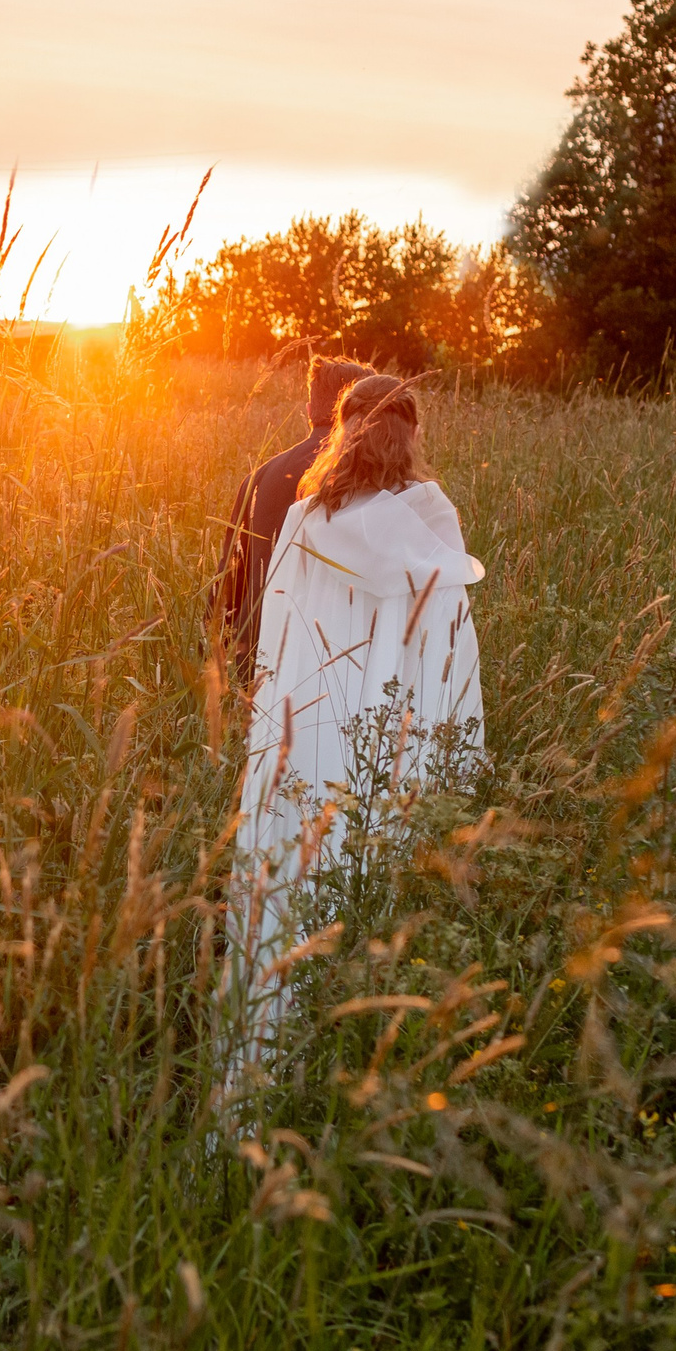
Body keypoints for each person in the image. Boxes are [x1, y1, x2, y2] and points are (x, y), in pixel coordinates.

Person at [229, 372, 485, 1068]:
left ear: (340, 430)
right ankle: (358, 1054)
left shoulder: (305, 516)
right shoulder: (429, 512)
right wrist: (451, 753)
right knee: (375, 876)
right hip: (386, 730)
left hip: (307, 730)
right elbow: (447, 644)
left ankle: (275, 1042)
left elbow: (275, 637)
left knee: (298, 874)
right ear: (411, 434)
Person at [210, 353, 375, 685]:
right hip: (337, 658)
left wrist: (214, 659)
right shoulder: (368, 474)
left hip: (256, 649)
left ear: (309, 410)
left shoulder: (258, 477)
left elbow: (228, 580)